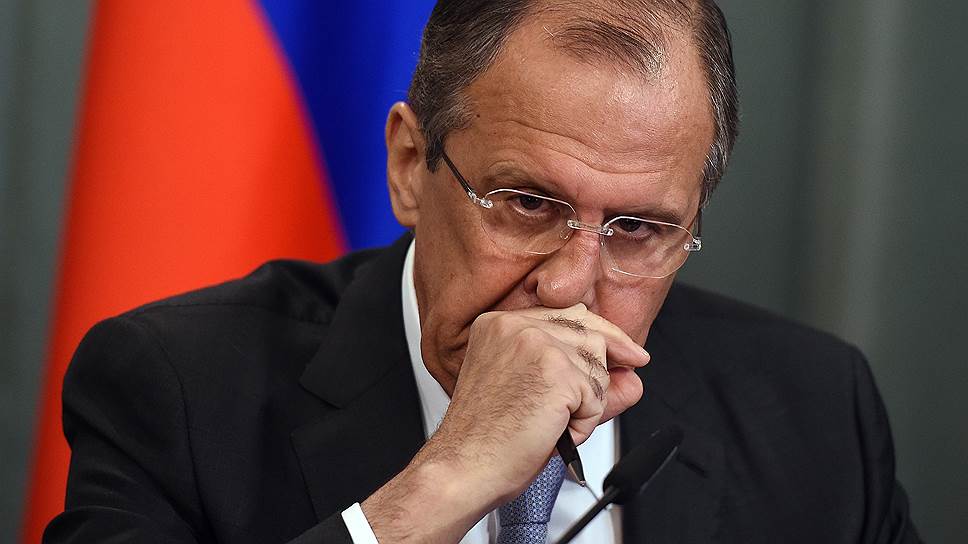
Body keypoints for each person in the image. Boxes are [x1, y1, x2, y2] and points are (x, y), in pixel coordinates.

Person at [45, 1, 921, 543]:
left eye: (638, 229)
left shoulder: (814, 414)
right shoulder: (179, 390)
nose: (570, 286)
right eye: (528, 203)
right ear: (408, 165)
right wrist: (442, 485)